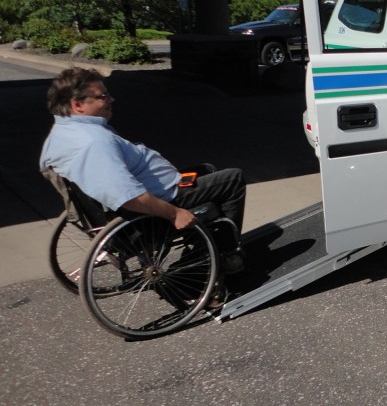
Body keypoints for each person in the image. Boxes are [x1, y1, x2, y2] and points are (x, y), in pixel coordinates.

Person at [39, 67, 247, 274]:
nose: (112, 99)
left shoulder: (63, 132)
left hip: (151, 193)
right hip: (159, 204)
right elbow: (127, 196)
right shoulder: (93, 142)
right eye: (103, 96)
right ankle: (224, 258)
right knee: (232, 180)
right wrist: (174, 213)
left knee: (206, 170)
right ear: (77, 105)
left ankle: (205, 242)